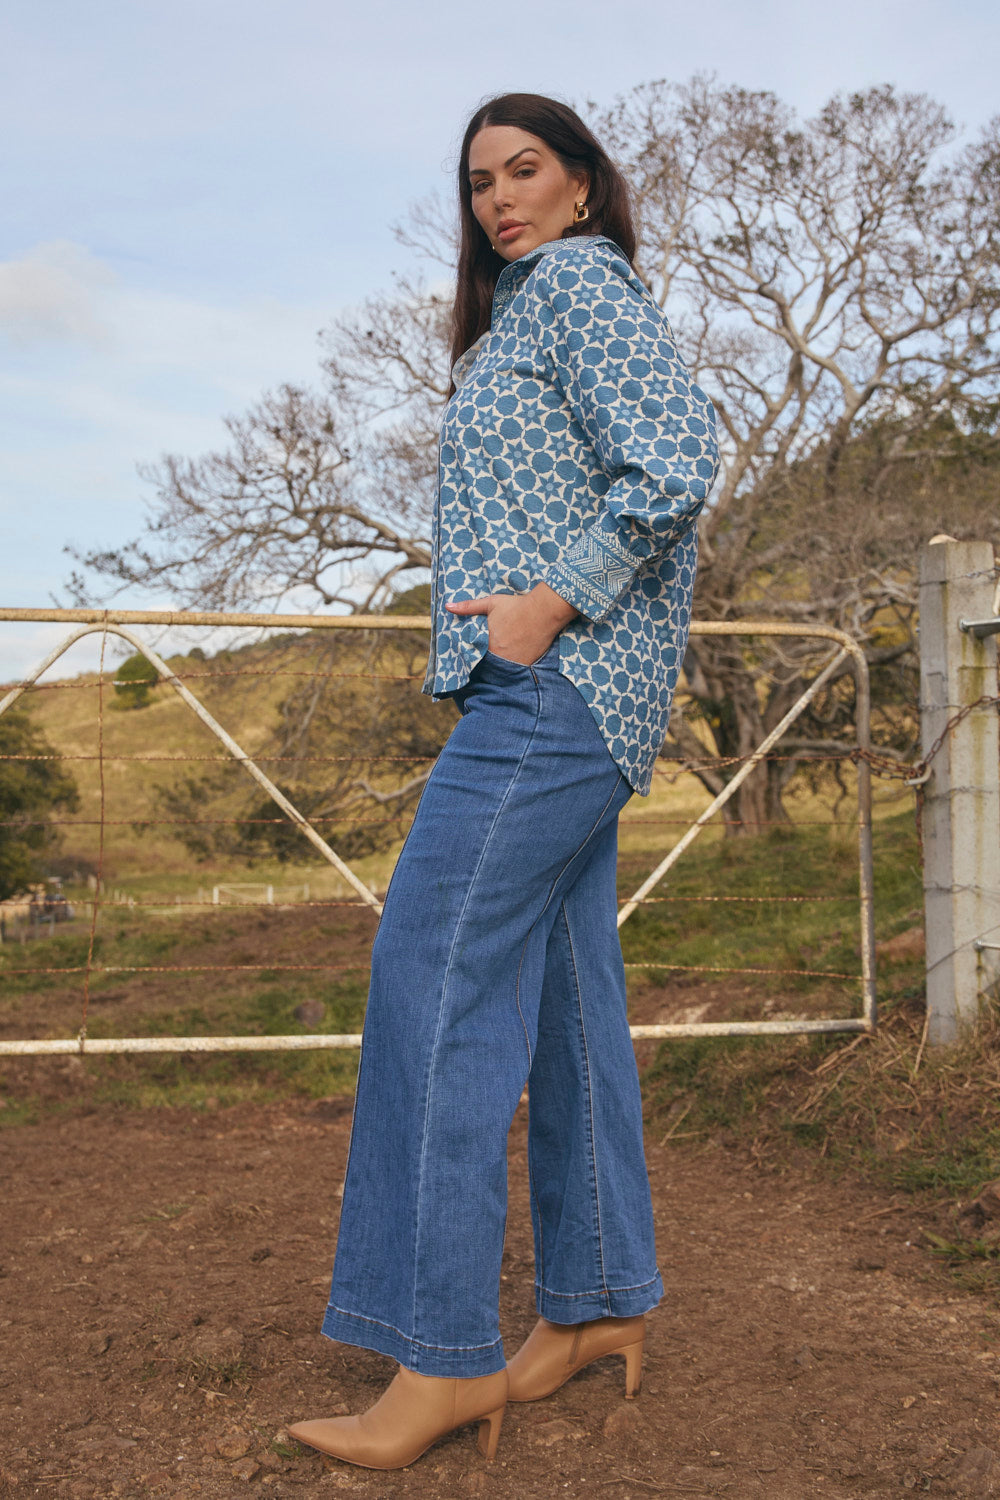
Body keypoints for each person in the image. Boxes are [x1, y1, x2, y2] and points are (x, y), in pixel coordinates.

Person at [289, 91, 719, 1471]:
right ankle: (599, 1302)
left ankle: (439, 1355)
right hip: (563, 699)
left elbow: (679, 461)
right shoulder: (521, 318)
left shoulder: (581, 288)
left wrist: (550, 603)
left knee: (432, 972)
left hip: (557, 691)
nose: (499, 198)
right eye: (479, 182)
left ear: (585, 185)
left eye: (525, 170)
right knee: (564, 997)